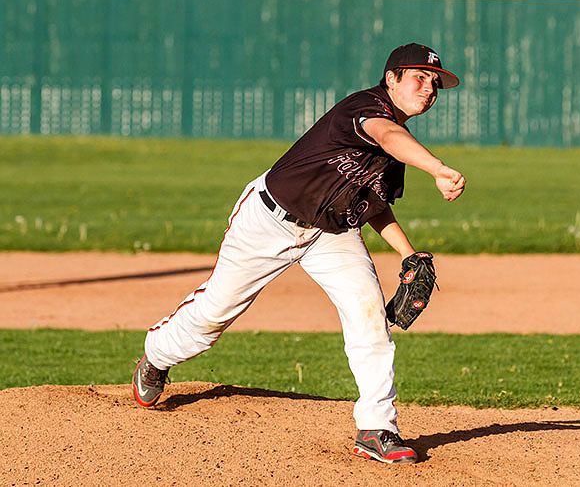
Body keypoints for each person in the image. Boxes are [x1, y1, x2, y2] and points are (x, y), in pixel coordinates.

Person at [132, 43, 465, 464]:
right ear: (392, 78)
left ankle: (377, 427)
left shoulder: (397, 153)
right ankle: (158, 355)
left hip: (331, 234)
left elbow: (373, 204)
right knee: (215, 313)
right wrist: (437, 169)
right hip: (269, 220)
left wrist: (408, 254)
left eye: (436, 83)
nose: (430, 88)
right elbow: (388, 135)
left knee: (368, 316)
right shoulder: (364, 109)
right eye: (420, 77)